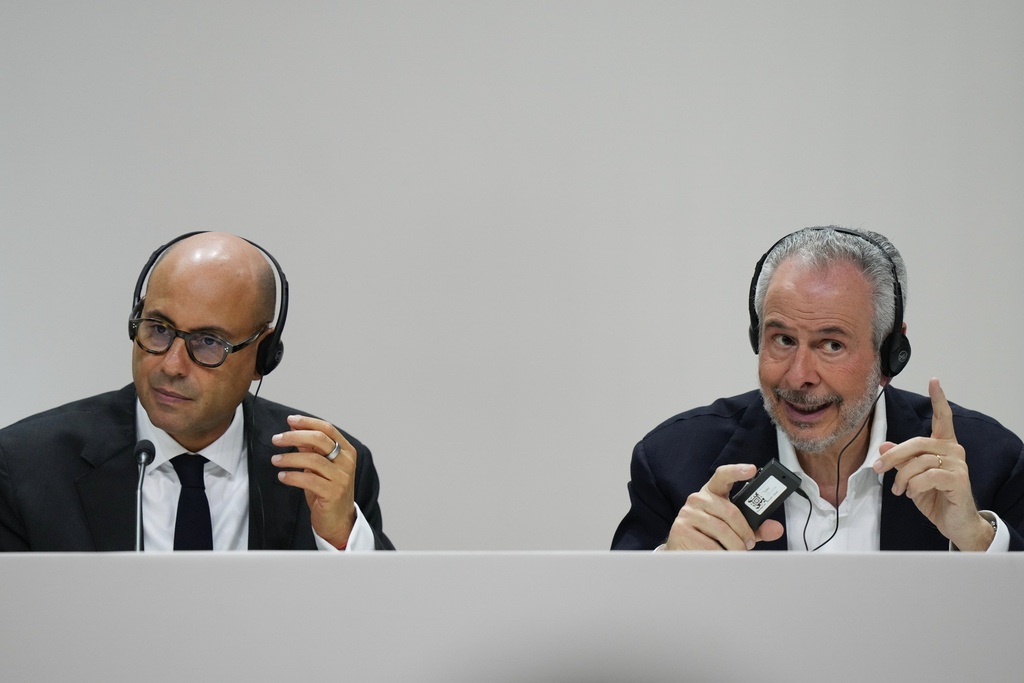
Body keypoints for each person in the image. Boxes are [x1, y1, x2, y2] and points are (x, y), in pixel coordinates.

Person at [612, 226, 1024, 552]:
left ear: (890, 354)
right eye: (783, 340)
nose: (798, 377)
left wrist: (978, 540)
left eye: (832, 345)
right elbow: (618, 638)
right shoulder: (673, 463)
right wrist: (669, 568)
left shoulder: (988, 464)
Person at [0, 232, 392, 551]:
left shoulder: (320, 470)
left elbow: (382, 630)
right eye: (158, 329)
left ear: (263, 355)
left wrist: (341, 540)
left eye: (208, 342)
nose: (171, 365)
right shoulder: (25, 467)